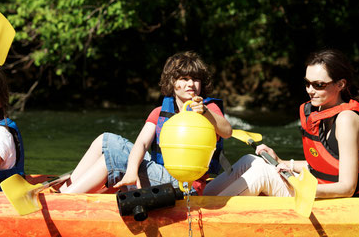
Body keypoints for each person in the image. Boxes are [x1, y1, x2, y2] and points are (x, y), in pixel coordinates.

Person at [204, 48, 359, 198]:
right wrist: (281, 162)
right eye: (307, 83)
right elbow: (325, 166)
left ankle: (210, 217)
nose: (310, 90)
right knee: (250, 161)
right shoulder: (321, 111)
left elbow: (347, 188)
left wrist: (301, 187)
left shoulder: (347, 120)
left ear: (340, 84)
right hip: (318, 185)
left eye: (318, 85)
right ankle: (201, 200)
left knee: (261, 174)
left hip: (338, 198)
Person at [59, 51, 233, 194]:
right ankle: (64, 190)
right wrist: (131, 171)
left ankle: (66, 200)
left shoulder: (207, 109)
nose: (191, 84)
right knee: (105, 140)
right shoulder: (159, 112)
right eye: (184, 79)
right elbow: (141, 143)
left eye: (195, 79)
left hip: (186, 187)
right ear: (173, 83)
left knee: (113, 158)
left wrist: (205, 112)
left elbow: (227, 131)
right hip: (161, 174)